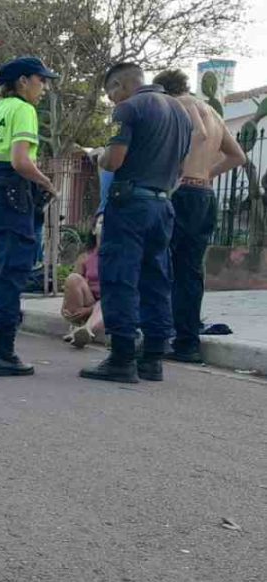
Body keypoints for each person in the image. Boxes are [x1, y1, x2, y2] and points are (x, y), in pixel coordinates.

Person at [80, 63, 192, 384]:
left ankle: (122, 357)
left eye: (110, 93)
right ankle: (153, 357)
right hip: (162, 204)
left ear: (120, 85)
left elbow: (114, 160)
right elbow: (181, 167)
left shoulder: (128, 109)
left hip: (130, 204)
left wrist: (99, 155)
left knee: (120, 277)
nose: (112, 100)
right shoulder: (181, 114)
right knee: (156, 278)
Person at [0, 57, 60, 375]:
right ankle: (4, 354)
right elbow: (20, 161)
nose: (43, 87)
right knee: (8, 277)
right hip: (11, 196)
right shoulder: (23, 110)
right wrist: (47, 184)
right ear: (22, 81)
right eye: (40, 80)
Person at [152, 69, 247, 363]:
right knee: (191, 272)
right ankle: (187, 342)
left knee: (165, 267)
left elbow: (200, 133)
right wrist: (205, 173)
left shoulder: (180, 103)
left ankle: (166, 335)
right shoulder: (212, 112)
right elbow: (238, 156)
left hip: (183, 195)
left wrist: (178, 173)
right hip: (205, 195)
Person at [62, 213, 104, 348]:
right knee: (73, 278)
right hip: (88, 300)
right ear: (93, 230)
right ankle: (77, 326)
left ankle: (86, 329)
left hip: (109, 303)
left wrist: (89, 310)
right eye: (102, 223)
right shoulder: (85, 256)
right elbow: (72, 284)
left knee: (106, 301)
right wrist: (65, 306)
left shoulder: (121, 255)